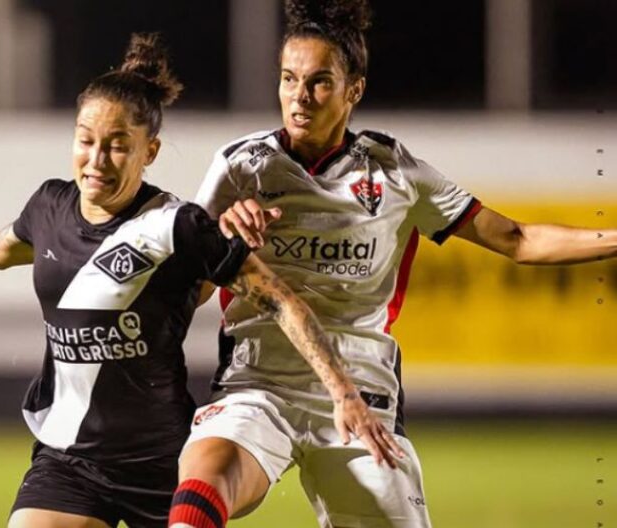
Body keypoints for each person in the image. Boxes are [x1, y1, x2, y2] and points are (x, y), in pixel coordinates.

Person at [0, 32, 402, 528]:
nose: (97, 159)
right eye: (86, 139)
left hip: (161, 465)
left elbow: (280, 300)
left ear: (149, 151)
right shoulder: (49, 207)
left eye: (117, 144)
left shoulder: (177, 225)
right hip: (69, 460)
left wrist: (342, 393)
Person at [169, 1, 617, 528]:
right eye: (289, 78)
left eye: (319, 82)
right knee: (198, 493)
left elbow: (519, 239)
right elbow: (187, 293)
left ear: (353, 89)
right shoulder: (239, 166)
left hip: (363, 398)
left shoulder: (395, 172)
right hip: (256, 384)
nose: (299, 96)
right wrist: (218, 239)